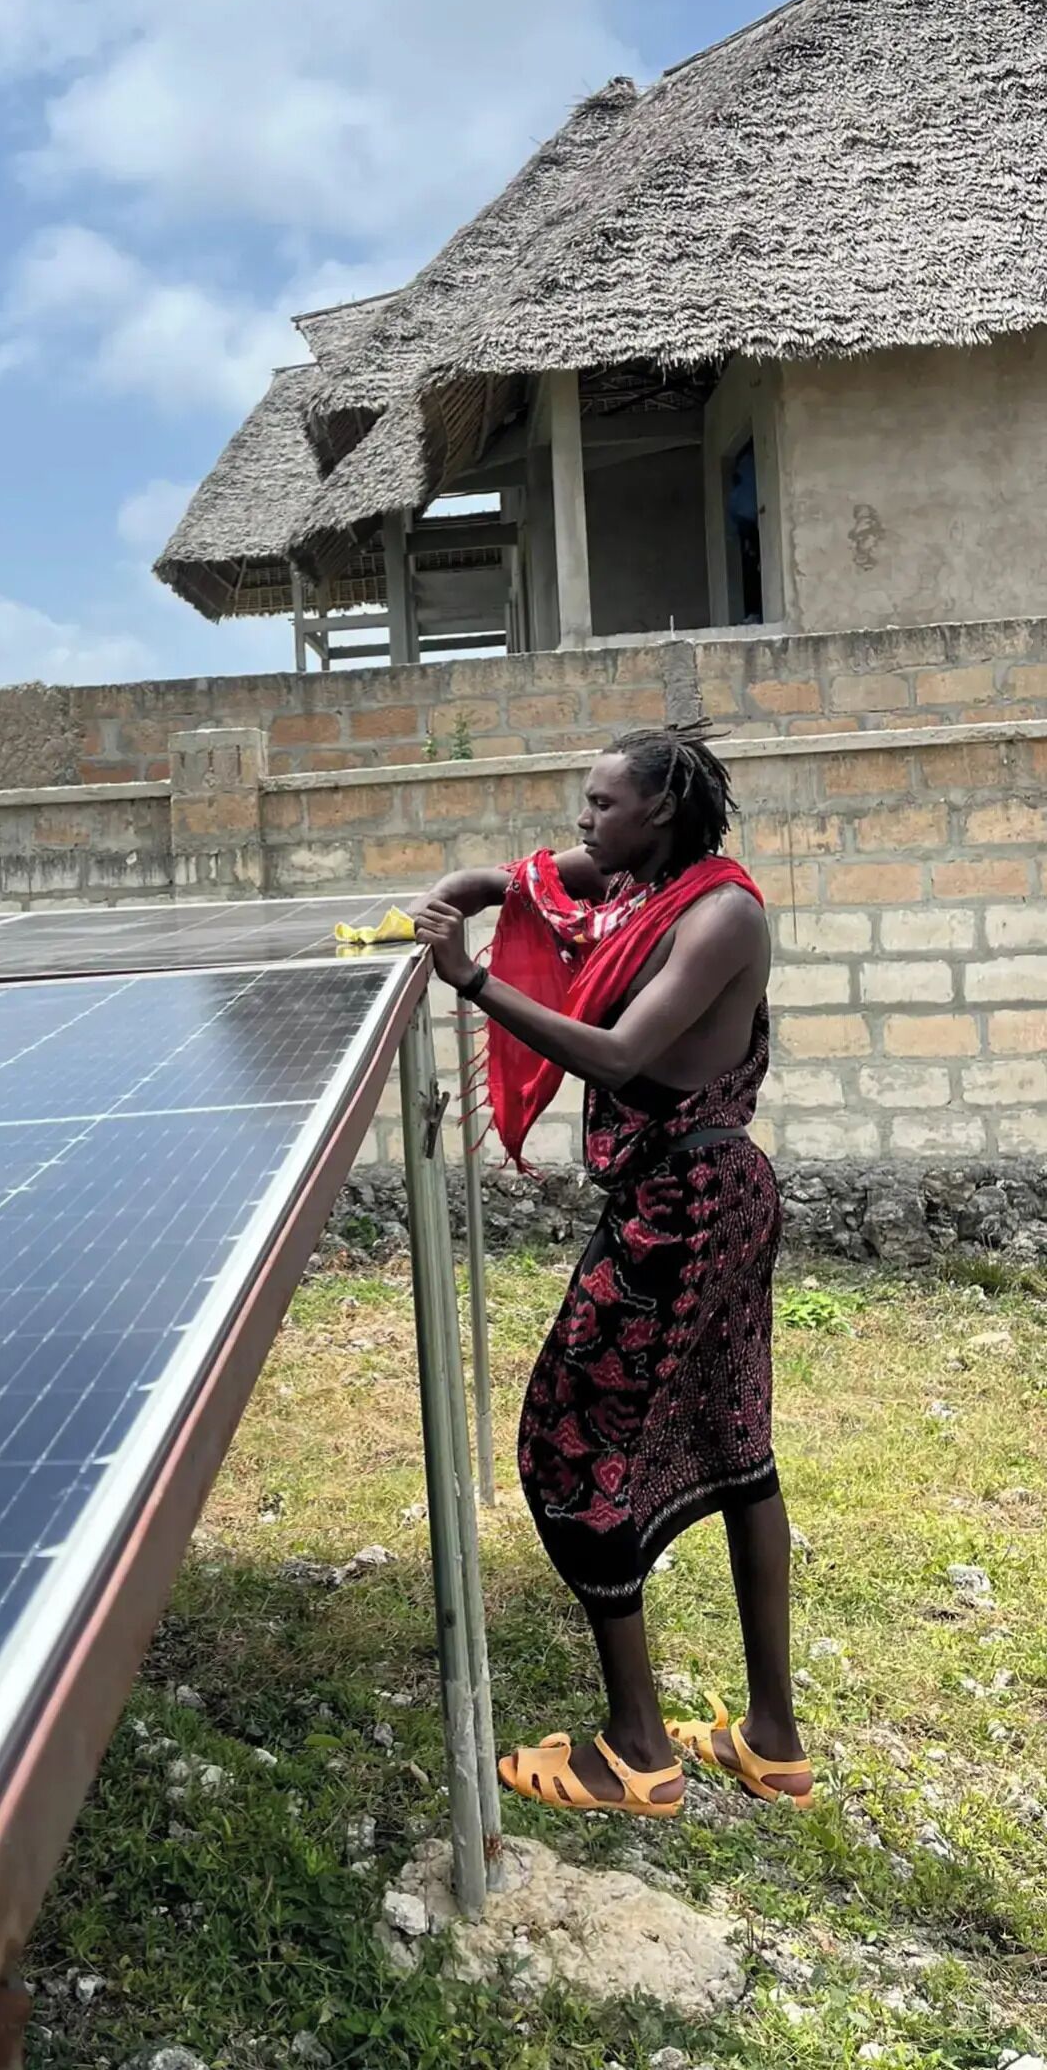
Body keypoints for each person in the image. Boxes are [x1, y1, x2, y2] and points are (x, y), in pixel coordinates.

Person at [409, 725, 812, 1820]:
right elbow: (525, 880)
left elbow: (624, 1054)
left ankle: (636, 1752)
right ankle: (772, 1742)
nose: (583, 822)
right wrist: (465, 891)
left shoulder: (720, 915)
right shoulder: (640, 881)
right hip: (705, 1197)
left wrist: (471, 979)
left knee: (570, 1443)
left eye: (601, 804)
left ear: (659, 813)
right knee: (735, 1442)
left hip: (685, 1208)